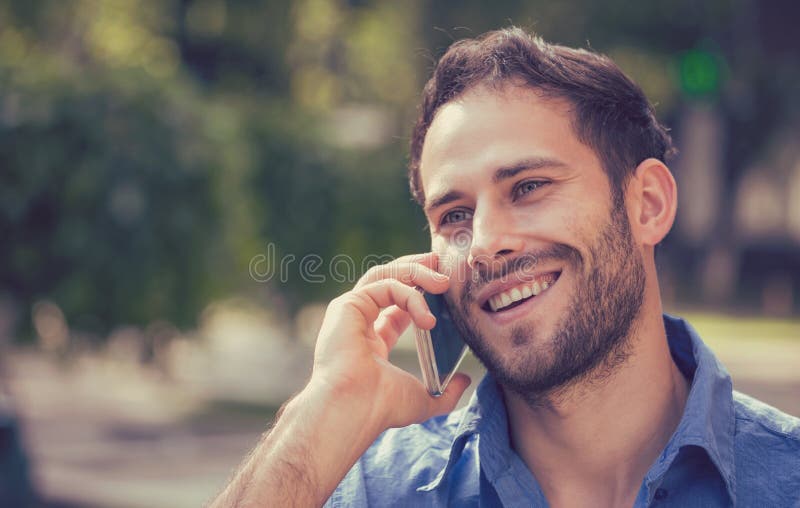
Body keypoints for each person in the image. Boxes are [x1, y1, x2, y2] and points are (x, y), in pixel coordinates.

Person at [210, 27, 800, 507]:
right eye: (455, 216)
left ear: (647, 204)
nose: (486, 243)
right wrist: (325, 410)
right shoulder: (381, 490)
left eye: (529, 186)